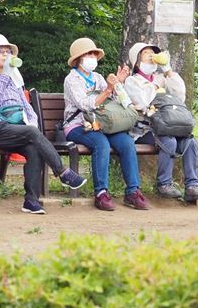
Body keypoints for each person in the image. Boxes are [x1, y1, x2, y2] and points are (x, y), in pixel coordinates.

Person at [0, 34, 86, 214]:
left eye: (8, 52)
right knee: (32, 134)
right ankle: (63, 172)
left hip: (17, 129)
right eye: (1, 52)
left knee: (34, 149)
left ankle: (31, 201)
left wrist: (32, 124)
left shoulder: (15, 80)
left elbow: (26, 107)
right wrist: (5, 75)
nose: (6, 55)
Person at [62, 38, 149, 211]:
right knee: (101, 144)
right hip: (79, 126)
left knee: (127, 143)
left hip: (104, 124)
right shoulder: (72, 79)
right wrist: (108, 89)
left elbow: (113, 102)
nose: (92, 57)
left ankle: (132, 191)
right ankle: (101, 193)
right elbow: (85, 105)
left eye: (94, 54)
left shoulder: (98, 77)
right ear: (78, 58)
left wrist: (118, 84)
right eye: (88, 54)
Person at [124, 42, 198, 203]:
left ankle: (192, 186)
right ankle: (164, 183)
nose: (151, 55)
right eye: (146, 53)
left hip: (169, 126)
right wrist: (155, 85)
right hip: (145, 131)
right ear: (137, 62)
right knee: (169, 142)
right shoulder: (132, 81)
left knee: (190, 142)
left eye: (152, 52)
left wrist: (167, 70)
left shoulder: (161, 77)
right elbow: (141, 101)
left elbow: (180, 95)